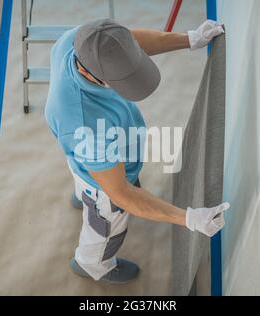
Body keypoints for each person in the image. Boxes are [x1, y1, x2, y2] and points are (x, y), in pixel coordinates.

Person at [45, 18, 229, 284]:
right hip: (100, 174)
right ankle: (92, 264)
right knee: (107, 222)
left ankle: (84, 194)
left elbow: (128, 41)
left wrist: (188, 38)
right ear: (91, 74)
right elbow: (121, 193)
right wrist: (188, 218)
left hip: (89, 153)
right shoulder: (85, 126)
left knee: (86, 173)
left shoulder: (81, 41)